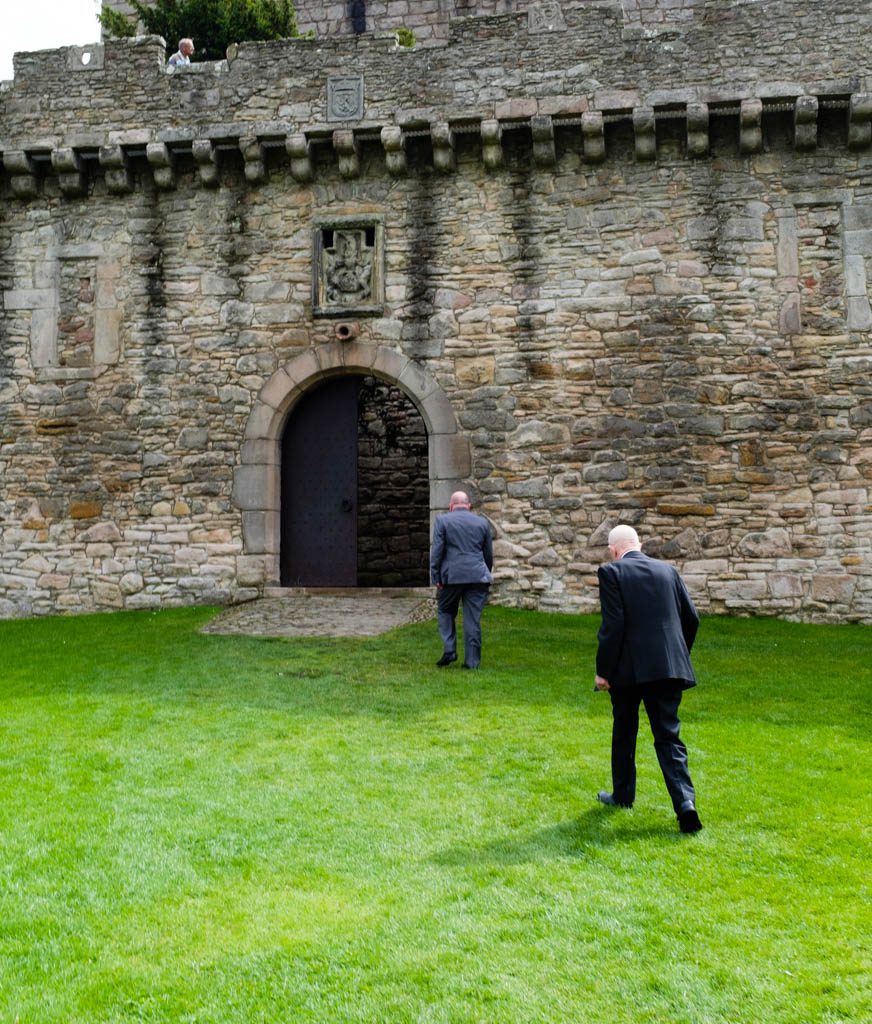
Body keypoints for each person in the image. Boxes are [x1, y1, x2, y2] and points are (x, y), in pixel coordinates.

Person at [593, 524, 703, 833]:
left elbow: (613, 627)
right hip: (668, 668)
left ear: (614, 550)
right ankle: (685, 803)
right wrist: (679, 655)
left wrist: (603, 671)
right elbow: (691, 617)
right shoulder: (668, 571)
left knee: (624, 732)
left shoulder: (612, 572)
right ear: (639, 544)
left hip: (628, 672)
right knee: (669, 736)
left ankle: (623, 795)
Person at [429, 491, 493, 669]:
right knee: (472, 619)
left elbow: (437, 553)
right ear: (469, 505)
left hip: (452, 576)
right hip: (478, 576)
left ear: (451, 506)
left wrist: (436, 577)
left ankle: (450, 649)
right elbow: (488, 554)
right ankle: (472, 663)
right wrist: (485, 572)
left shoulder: (443, 521)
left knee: (445, 610)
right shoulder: (482, 523)